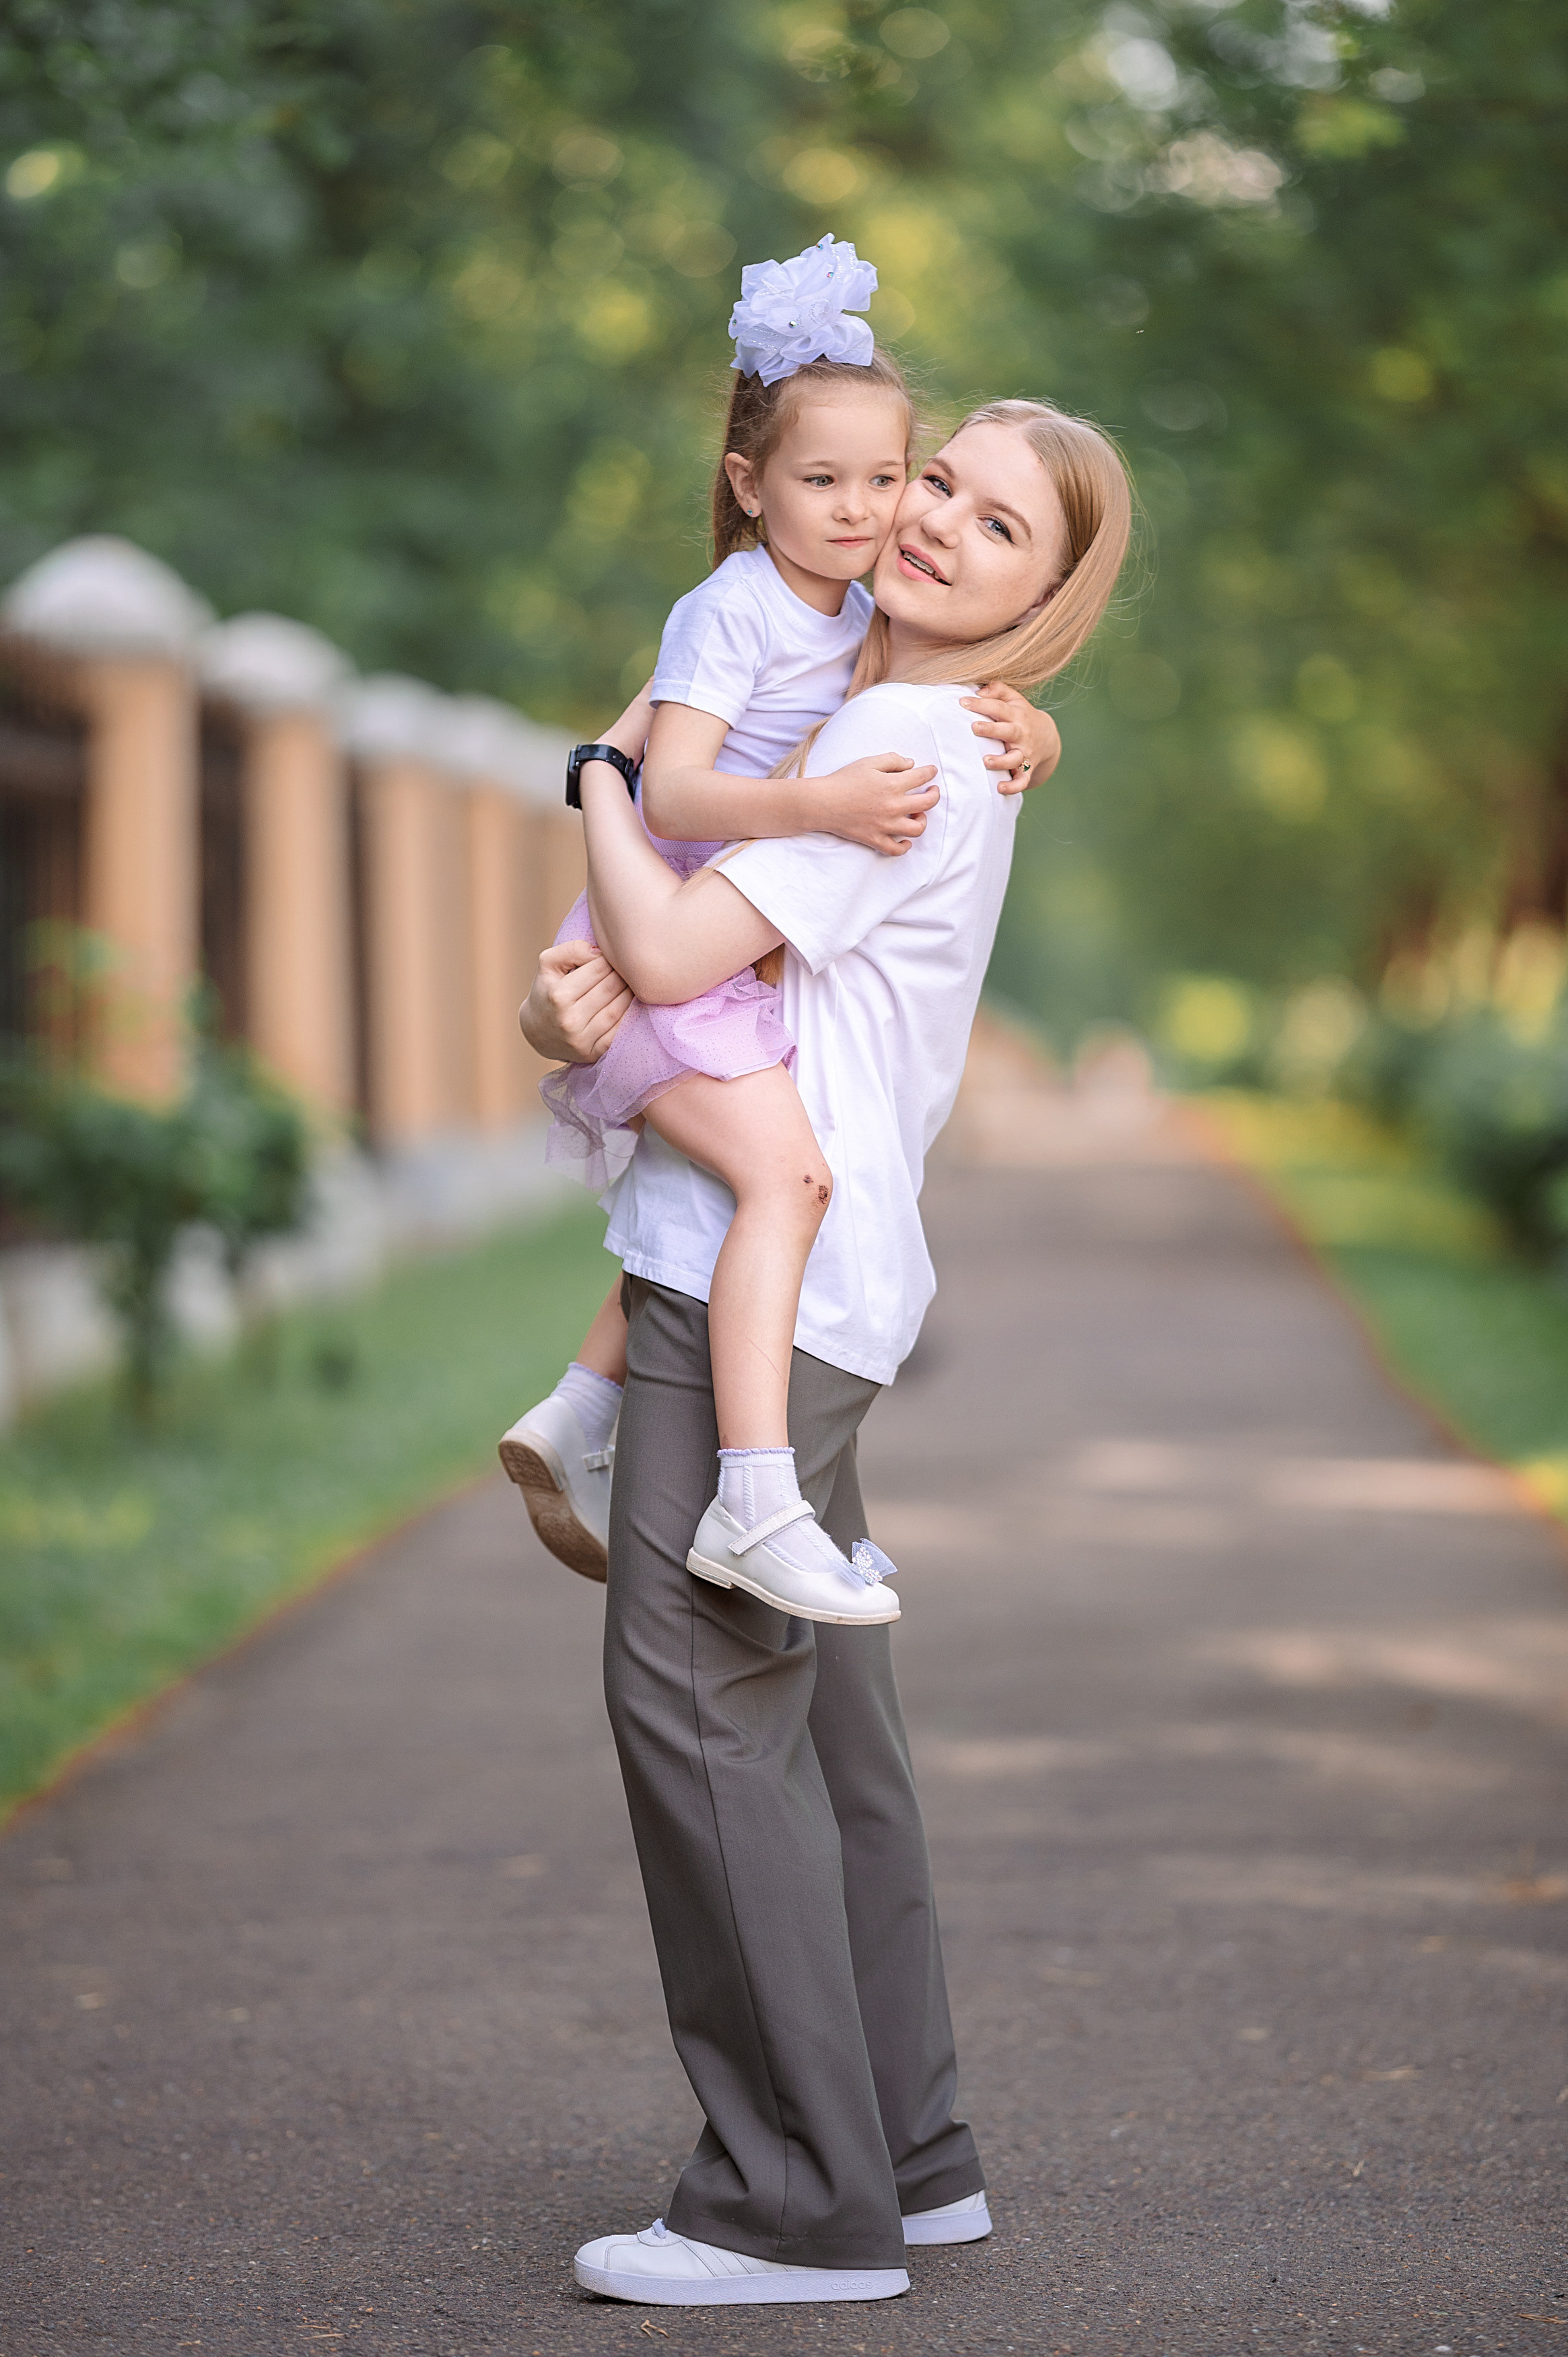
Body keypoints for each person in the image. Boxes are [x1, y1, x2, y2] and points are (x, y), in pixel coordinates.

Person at [519, 396, 1132, 2306]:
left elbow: (684, 954)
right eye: (938, 478)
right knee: (822, 1731)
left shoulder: (895, 737)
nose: (939, 521)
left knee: (700, 1715)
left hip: (752, 1284)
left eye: (999, 525)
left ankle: (794, 2204)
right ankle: (909, 2147)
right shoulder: (895, 712)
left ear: (1050, 595)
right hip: (835, 1286)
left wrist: (599, 794)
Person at [497, 236, 1058, 1599]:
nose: (881, 513)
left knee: (741, 1184)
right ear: (751, 486)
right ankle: (747, 1495)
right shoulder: (734, 610)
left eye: (891, 476)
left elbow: (921, 667)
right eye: (842, 482)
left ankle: (579, 1411)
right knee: (785, 1177)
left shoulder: (855, 609)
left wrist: (1037, 727)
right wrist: (807, 804)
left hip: (692, 963)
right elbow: (656, 779)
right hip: (670, 959)